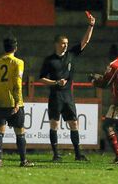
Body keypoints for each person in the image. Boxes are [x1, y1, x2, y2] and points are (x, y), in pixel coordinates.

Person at [39, 12, 95, 162]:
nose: (65, 45)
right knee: (54, 124)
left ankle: (78, 154)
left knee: (73, 123)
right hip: (56, 95)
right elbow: (42, 78)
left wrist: (91, 25)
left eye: (66, 43)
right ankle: (56, 154)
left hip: (68, 96)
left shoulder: (71, 55)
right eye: (63, 43)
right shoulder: (49, 60)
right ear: (56, 44)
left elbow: (85, 42)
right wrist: (55, 83)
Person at [0, 37, 34, 167]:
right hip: (13, 101)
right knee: (20, 131)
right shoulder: (18, 62)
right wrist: (18, 102)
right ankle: (23, 160)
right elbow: (17, 83)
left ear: (4, 47)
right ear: (16, 48)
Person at [89, 43, 118, 166]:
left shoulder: (113, 65)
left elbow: (105, 83)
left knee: (107, 126)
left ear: (111, 53)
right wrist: (100, 77)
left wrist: (94, 81)